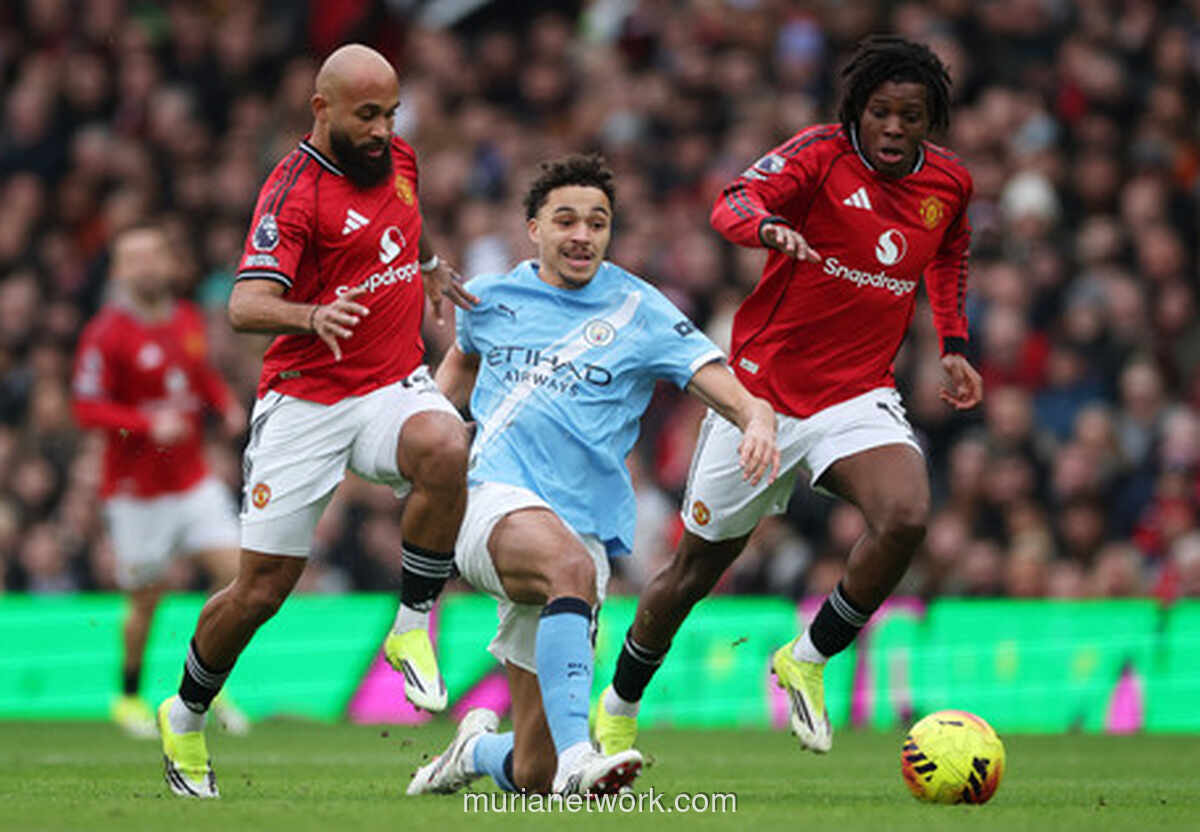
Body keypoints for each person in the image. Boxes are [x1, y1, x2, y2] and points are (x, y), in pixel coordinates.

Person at [595, 35, 984, 757]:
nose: (895, 128)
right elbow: (730, 202)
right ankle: (618, 702)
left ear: (932, 120)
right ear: (857, 113)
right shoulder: (818, 155)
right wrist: (767, 226)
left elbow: (951, 253)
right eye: (881, 113)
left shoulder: (949, 185)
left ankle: (807, 657)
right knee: (693, 574)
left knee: (905, 515)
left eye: (911, 115)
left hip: (856, 392)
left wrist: (954, 344)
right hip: (759, 397)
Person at [156, 44, 475, 798]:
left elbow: (398, 226)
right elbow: (242, 305)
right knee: (262, 590)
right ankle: (186, 711)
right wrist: (309, 313)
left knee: (445, 443)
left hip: (391, 383)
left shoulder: (398, 158)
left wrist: (426, 267)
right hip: (307, 398)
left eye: (391, 112)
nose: (382, 128)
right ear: (320, 107)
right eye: (367, 114)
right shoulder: (292, 192)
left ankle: (411, 627)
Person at [405, 155, 778, 797]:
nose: (582, 235)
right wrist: (433, 448)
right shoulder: (491, 298)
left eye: (598, 223)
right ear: (534, 228)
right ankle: (584, 754)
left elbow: (710, 374)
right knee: (567, 569)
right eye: (566, 220)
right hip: (491, 501)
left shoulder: (641, 310)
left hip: (580, 526)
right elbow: (456, 373)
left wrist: (756, 415)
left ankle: (474, 753)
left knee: (532, 770)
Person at [72, 223, 249, 740]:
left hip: (191, 479)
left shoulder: (186, 319)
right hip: (136, 493)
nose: (149, 266)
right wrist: (146, 423)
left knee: (237, 574)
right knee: (148, 600)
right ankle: (127, 696)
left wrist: (225, 405)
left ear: (168, 264)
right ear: (122, 271)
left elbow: (197, 376)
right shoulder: (105, 334)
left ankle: (208, 681)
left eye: (156, 255)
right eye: (137, 258)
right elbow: (85, 407)